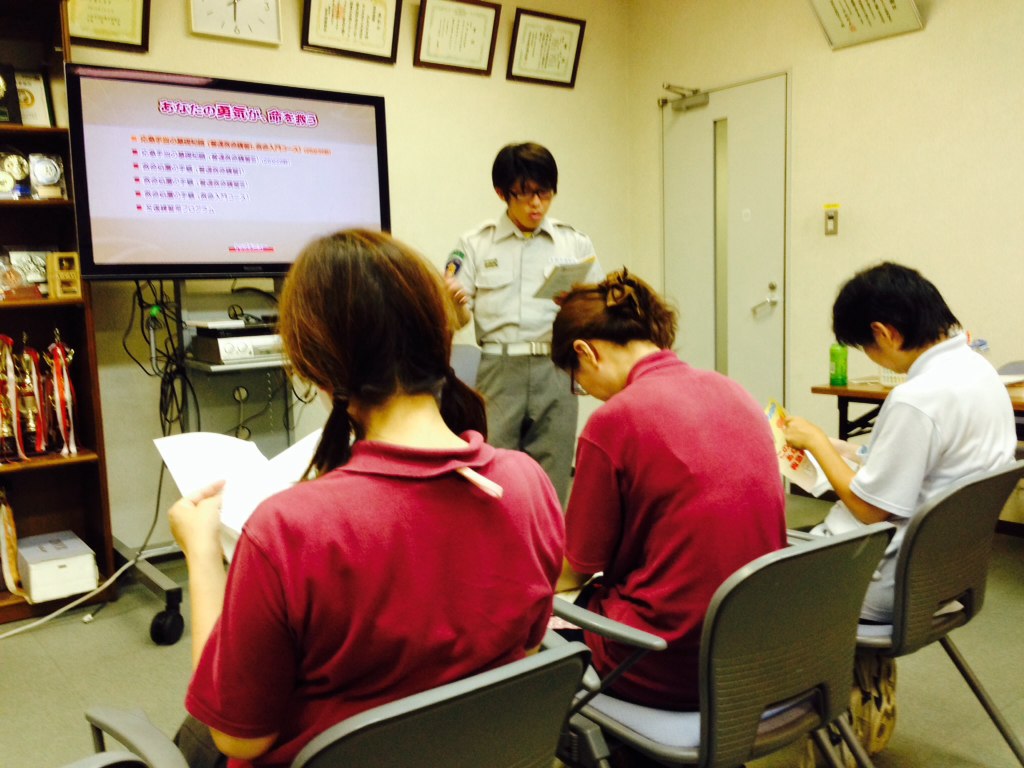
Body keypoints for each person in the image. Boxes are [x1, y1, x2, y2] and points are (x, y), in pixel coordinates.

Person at [169, 230, 565, 767]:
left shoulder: (287, 530)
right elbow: (528, 650)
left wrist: (201, 555)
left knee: (194, 736)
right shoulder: (528, 484)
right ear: (440, 339)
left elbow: (238, 738)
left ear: (315, 368)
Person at [781, 261, 1016, 757]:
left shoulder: (917, 398)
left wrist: (817, 443)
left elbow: (870, 510)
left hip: (883, 583)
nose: (871, 356)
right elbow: (925, 465)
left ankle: (794, 712)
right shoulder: (978, 371)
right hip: (946, 575)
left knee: (751, 570)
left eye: (866, 346)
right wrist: (843, 450)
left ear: (884, 333)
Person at [551, 268, 787, 710]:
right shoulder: (733, 390)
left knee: (537, 617)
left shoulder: (614, 421)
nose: (587, 392)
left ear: (585, 352)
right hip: (755, 650)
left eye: (577, 380)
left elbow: (579, 565)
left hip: (663, 663)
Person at [446, 142, 603, 504]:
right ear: (502, 192)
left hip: (556, 367)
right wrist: (454, 305)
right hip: (499, 368)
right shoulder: (476, 243)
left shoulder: (573, 242)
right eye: (525, 194)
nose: (537, 204)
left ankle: (548, 540)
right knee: (493, 471)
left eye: (545, 193)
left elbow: (597, 311)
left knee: (554, 471)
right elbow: (459, 318)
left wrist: (576, 308)